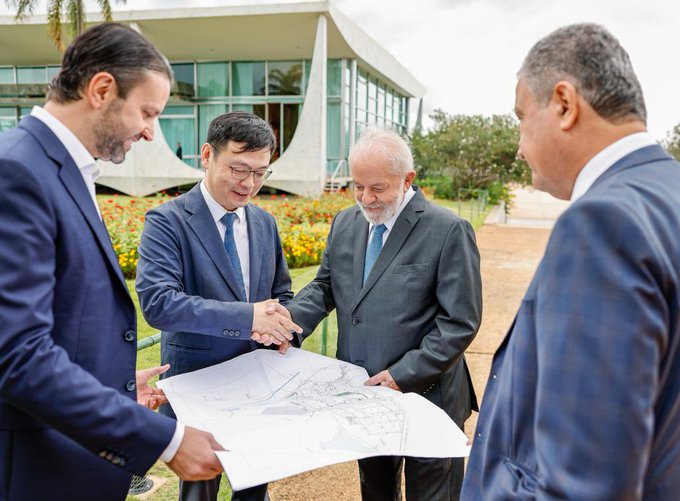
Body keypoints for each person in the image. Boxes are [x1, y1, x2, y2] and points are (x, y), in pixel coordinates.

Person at [0, 23, 224, 501]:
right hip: (37, 475)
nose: (149, 131)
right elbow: (17, 356)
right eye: (147, 112)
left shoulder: (58, 168)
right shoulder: (17, 172)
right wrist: (166, 438)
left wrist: (110, 378)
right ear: (101, 89)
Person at [462, 23, 680, 500]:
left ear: (564, 104)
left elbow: (588, 483)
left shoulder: (602, 223)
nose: (519, 146)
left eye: (521, 117)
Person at [285, 127, 482, 501]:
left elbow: (459, 323)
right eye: (357, 186)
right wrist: (288, 326)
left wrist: (402, 374)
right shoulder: (344, 222)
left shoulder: (448, 230)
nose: (365, 198)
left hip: (430, 395)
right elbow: (325, 286)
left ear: (408, 179)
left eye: (377, 188)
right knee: (375, 492)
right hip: (363, 392)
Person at [136, 111, 301, 501]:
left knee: (254, 491)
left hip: (260, 388)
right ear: (207, 154)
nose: (249, 184)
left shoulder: (264, 223)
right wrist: (248, 318)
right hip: (198, 387)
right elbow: (159, 304)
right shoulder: (166, 221)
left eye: (261, 173)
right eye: (238, 169)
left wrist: (284, 330)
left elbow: (282, 293)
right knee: (199, 494)